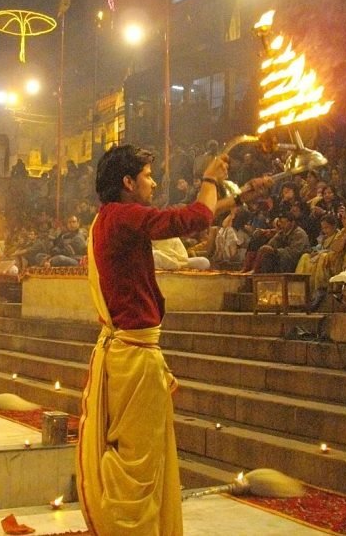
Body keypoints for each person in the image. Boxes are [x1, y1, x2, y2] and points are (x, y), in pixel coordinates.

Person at [76, 144, 252, 535]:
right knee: (140, 459)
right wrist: (209, 179)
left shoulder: (110, 217)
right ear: (128, 182)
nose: (154, 183)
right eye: (148, 176)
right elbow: (192, 218)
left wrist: (233, 199)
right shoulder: (122, 216)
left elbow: (196, 214)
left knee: (141, 453)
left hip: (128, 354)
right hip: (134, 359)